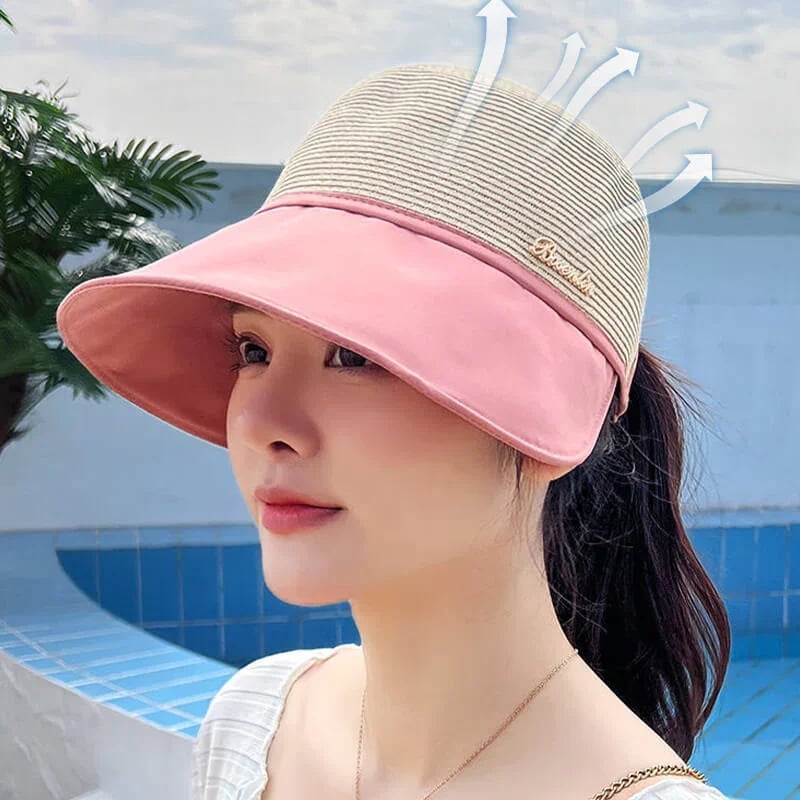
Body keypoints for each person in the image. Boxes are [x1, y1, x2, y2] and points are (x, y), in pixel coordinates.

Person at [56, 62, 732, 800]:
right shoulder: (257, 721)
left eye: (355, 356)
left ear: (552, 416)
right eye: (253, 350)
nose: (261, 424)